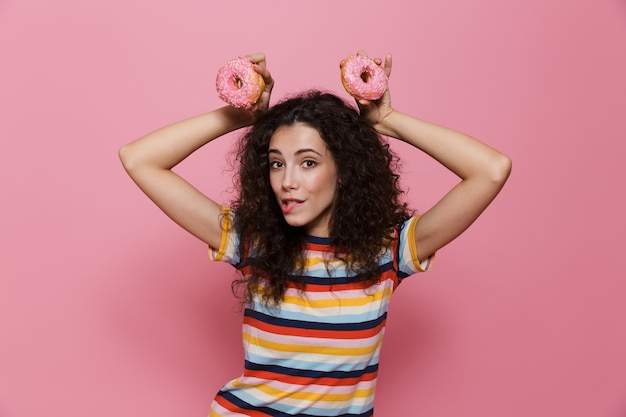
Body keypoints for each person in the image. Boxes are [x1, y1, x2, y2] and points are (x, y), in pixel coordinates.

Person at [119, 51, 511, 417]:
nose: (287, 181)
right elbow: (139, 159)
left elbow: (491, 169)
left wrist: (387, 121)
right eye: (276, 164)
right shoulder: (253, 243)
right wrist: (237, 117)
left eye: (308, 162)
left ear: (344, 170)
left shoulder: (386, 253)